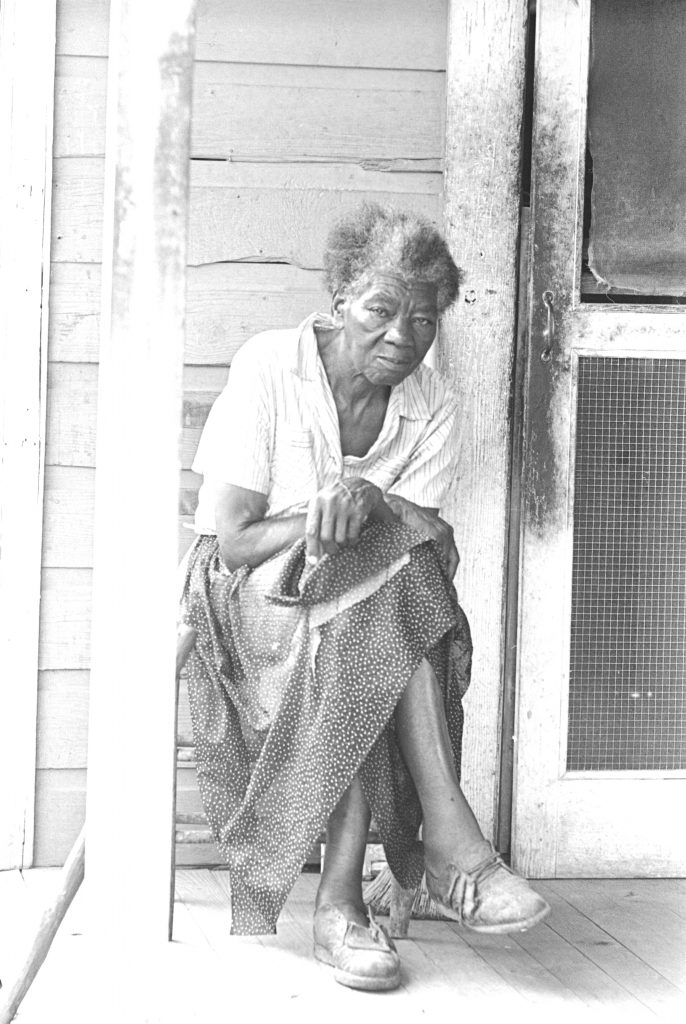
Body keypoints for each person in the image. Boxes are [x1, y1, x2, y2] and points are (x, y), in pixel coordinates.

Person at [182, 203, 549, 992]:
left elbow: (420, 543)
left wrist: (372, 503)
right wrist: (324, 514)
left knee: (376, 611)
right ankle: (441, 854)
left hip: (359, 613)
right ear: (341, 296)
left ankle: (347, 905)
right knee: (381, 606)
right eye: (381, 310)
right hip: (246, 599)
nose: (401, 337)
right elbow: (235, 542)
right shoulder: (270, 366)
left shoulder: (433, 401)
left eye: (424, 320)